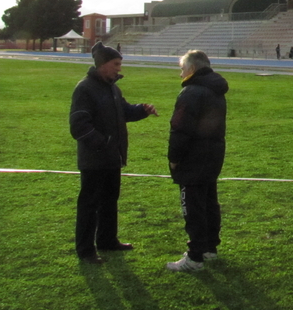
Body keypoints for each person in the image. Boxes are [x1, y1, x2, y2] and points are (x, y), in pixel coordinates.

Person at [70, 42, 158, 264]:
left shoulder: (113, 88)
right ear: (102, 65)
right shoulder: (84, 89)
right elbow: (79, 125)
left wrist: (142, 110)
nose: (119, 68)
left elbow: (124, 111)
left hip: (112, 158)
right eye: (116, 64)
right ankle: (85, 250)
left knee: (110, 201)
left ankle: (107, 240)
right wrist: (103, 143)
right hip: (94, 160)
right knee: (89, 205)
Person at [166, 50, 229, 272]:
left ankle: (195, 257)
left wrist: (174, 158)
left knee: (193, 206)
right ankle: (209, 247)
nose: (180, 74)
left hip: (194, 158)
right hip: (213, 155)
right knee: (209, 202)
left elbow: (180, 129)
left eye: (182, 69)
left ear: (192, 70)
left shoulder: (191, 93)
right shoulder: (216, 91)